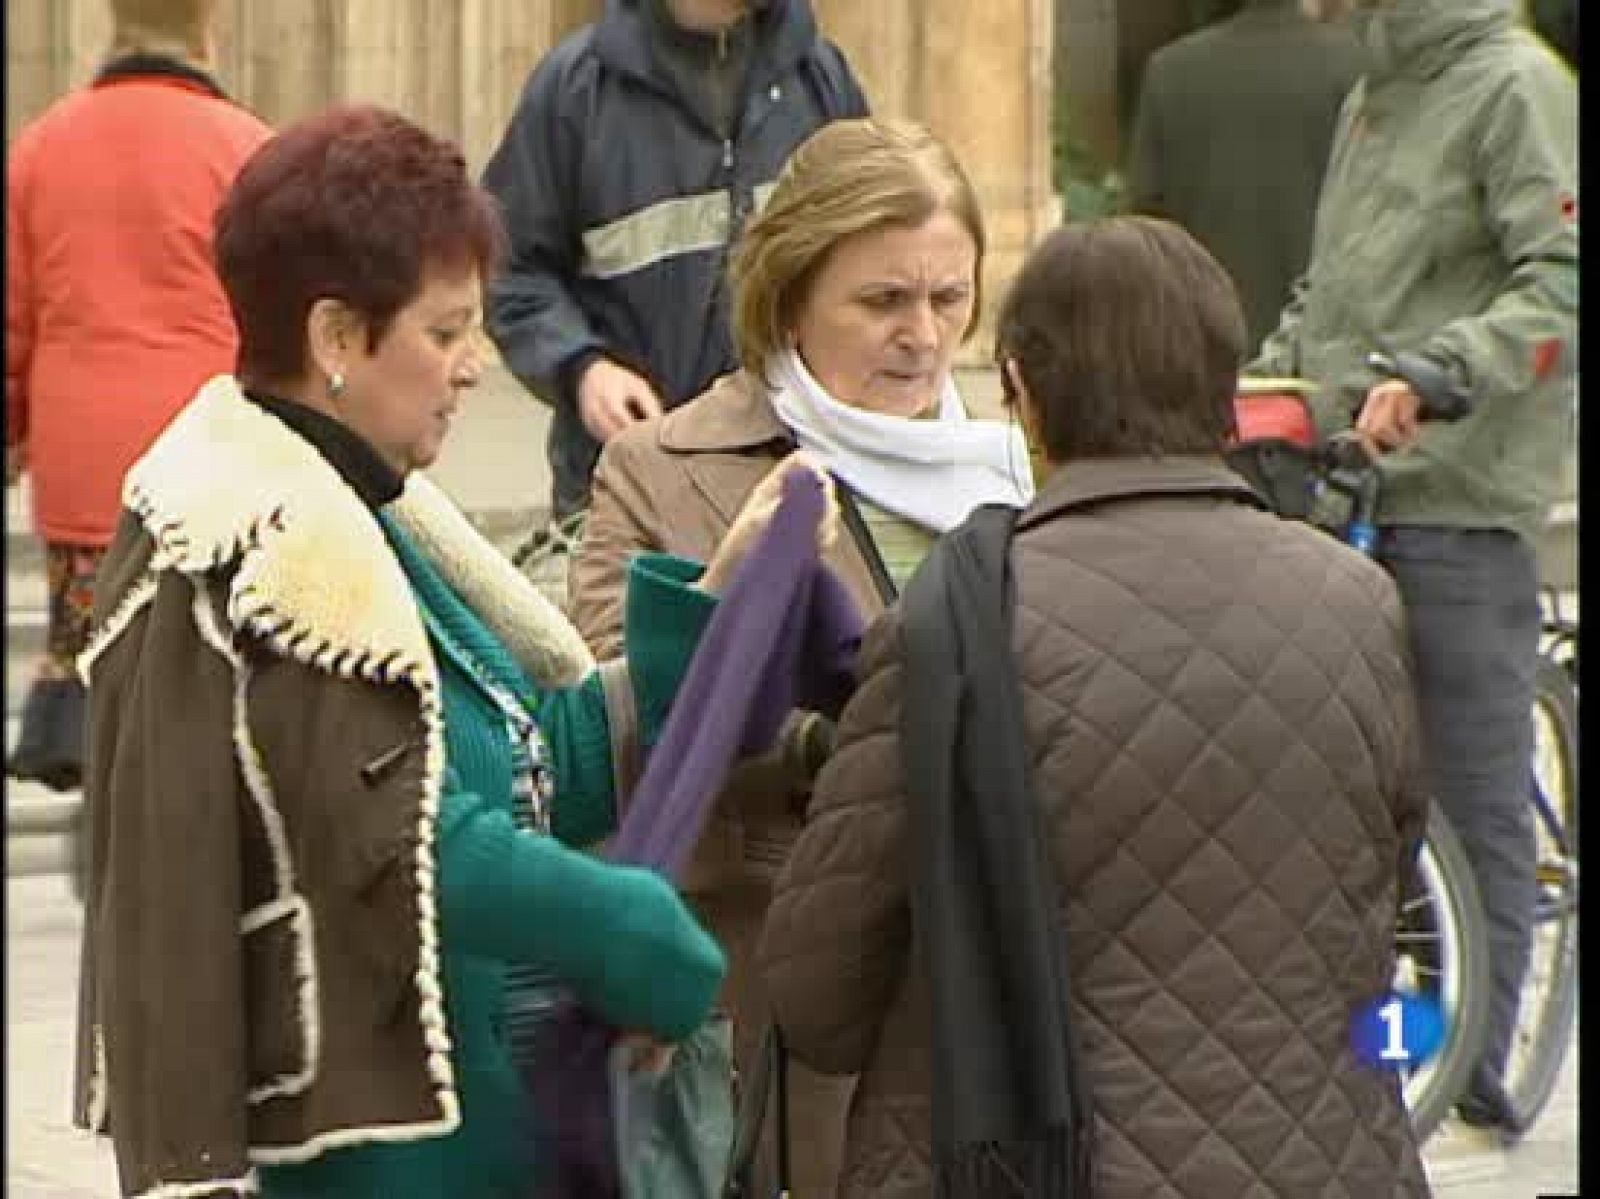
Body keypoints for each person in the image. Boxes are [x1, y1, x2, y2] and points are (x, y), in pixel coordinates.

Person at [69, 102, 837, 1199]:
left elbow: (525, 767)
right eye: (445, 332)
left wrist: (716, 601)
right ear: (337, 338)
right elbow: (410, 836)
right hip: (368, 1170)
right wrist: (636, 935)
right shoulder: (261, 543)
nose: (476, 366)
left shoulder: (367, 511)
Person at [756, 215, 1433, 1198]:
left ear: (1022, 393)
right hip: (1328, 1162)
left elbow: (817, 993)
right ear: (1228, 393)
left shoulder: (958, 622)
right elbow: (1383, 882)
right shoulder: (1358, 604)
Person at [569, 116, 1034, 1196]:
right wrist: (735, 610)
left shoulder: (1017, 471)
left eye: (948, 298)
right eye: (882, 301)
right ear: (786, 297)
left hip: (989, 1016)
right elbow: (605, 741)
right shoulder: (660, 468)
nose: (923, 335)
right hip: (778, 1034)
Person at [1248, 0, 1578, 1171]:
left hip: (1455, 492)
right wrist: (1265, 377)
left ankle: (1476, 1064)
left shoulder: (1515, 84)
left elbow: (1565, 285)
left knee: (1467, 791)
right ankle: (1383, 1045)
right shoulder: (1375, 86)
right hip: (1350, 483)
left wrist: (1444, 373)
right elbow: (1334, 290)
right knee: (1355, 796)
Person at [4, 0, 271, 793]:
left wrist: (14, 430)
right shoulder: (246, 151)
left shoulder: (41, 148)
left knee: (99, 691)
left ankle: (110, 876)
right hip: (210, 466)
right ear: (209, 26)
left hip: (84, 472)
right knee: (204, 691)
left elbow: (13, 323)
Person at [481, 0, 869, 531]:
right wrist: (582, 369)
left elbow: (869, 256)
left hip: (794, 474)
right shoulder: (577, 90)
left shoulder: (820, 79)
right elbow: (510, 269)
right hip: (629, 489)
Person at [1126, 0, 1367, 347]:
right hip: (1322, 345)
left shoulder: (1170, 71)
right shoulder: (1356, 68)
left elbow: (1145, 228)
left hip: (1202, 345)